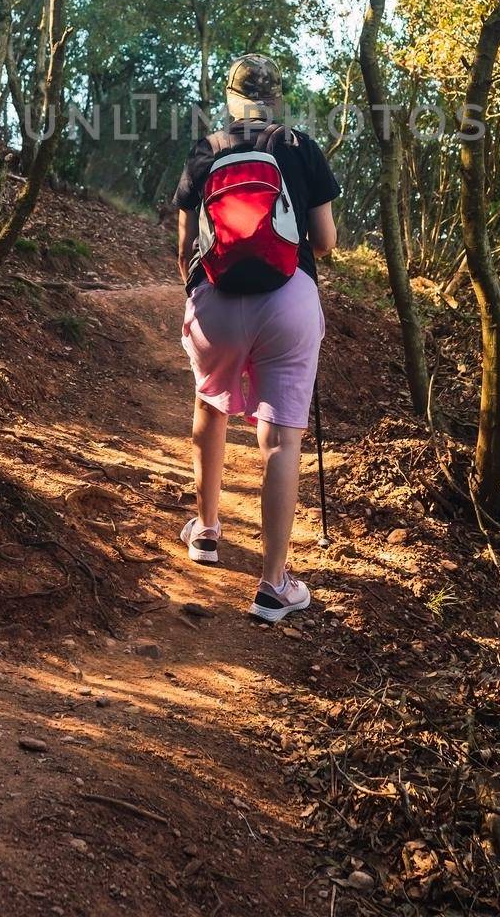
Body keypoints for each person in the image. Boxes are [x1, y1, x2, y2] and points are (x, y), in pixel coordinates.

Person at [172, 54, 340, 622]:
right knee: (281, 442)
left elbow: (184, 248)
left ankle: (207, 533)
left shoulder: (207, 148)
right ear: (278, 98)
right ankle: (273, 586)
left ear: (231, 97)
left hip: (215, 299)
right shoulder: (299, 146)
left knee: (209, 405)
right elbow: (324, 242)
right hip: (288, 299)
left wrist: (204, 298)